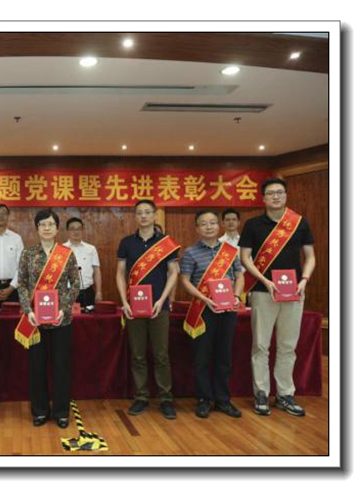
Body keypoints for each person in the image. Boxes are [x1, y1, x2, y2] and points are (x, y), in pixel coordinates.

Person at [239, 178, 315, 417]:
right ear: (263, 198)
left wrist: (304, 280)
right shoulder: (253, 224)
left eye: (280, 192)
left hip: (294, 292)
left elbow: (310, 256)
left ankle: (285, 394)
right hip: (263, 292)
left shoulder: (299, 223)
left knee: (287, 346)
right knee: (260, 345)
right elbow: (245, 258)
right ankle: (261, 393)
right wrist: (265, 280)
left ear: (286, 195)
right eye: (270, 193)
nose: (276, 196)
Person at [116, 200, 180, 419]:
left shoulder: (166, 243)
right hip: (134, 307)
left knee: (161, 355)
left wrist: (162, 300)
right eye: (139, 213)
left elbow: (173, 272)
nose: (143, 216)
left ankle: (166, 399)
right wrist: (124, 302)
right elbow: (120, 273)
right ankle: (141, 397)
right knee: (138, 354)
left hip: (159, 307)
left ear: (154, 215)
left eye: (147, 212)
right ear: (135, 216)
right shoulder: (126, 242)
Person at [17, 209, 80, 428]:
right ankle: (40, 411)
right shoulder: (28, 253)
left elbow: (76, 284)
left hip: (62, 320)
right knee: (37, 367)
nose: (46, 228)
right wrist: (28, 311)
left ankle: (61, 412)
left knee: (61, 366)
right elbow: (22, 284)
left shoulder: (66, 254)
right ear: (37, 228)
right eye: (42, 224)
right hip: (35, 320)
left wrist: (64, 308)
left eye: (50, 224)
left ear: (57, 228)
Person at [180, 210, 244, 419]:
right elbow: (185, 281)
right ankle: (204, 399)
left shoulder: (230, 251)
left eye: (213, 223)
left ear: (219, 226)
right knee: (202, 356)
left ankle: (223, 399)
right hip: (202, 310)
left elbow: (239, 276)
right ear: (197, 228)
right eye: (204, 224)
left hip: (227, 309)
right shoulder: (190, 253)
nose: (209, 227)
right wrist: (204, 298)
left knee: (224, 356)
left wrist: (236, 296)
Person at [0, 204, 24, 309]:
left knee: (12, 318)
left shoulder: (16, 238)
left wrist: (11, 288)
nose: (1, 216)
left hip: (12, 288)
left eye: (4, 213)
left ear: (8, 216)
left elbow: (21, 266)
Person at [63, 217, 102, 308]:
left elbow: (97, 271)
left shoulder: (91, 249)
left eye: (79, 229)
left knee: (89, 316)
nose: (76, 232)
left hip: (87, 292)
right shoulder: (61, 249)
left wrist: (99, 292)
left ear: (83, 230)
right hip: (67, 292)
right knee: (68, 316)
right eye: (72, 229)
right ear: (67, 231)